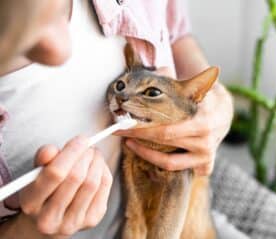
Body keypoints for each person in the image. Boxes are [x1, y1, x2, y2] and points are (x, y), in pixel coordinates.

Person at [0, 0, 233, 238]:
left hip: (197, 220)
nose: (63, 51)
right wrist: (26, 230)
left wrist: (215, 101)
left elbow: (177, 33)